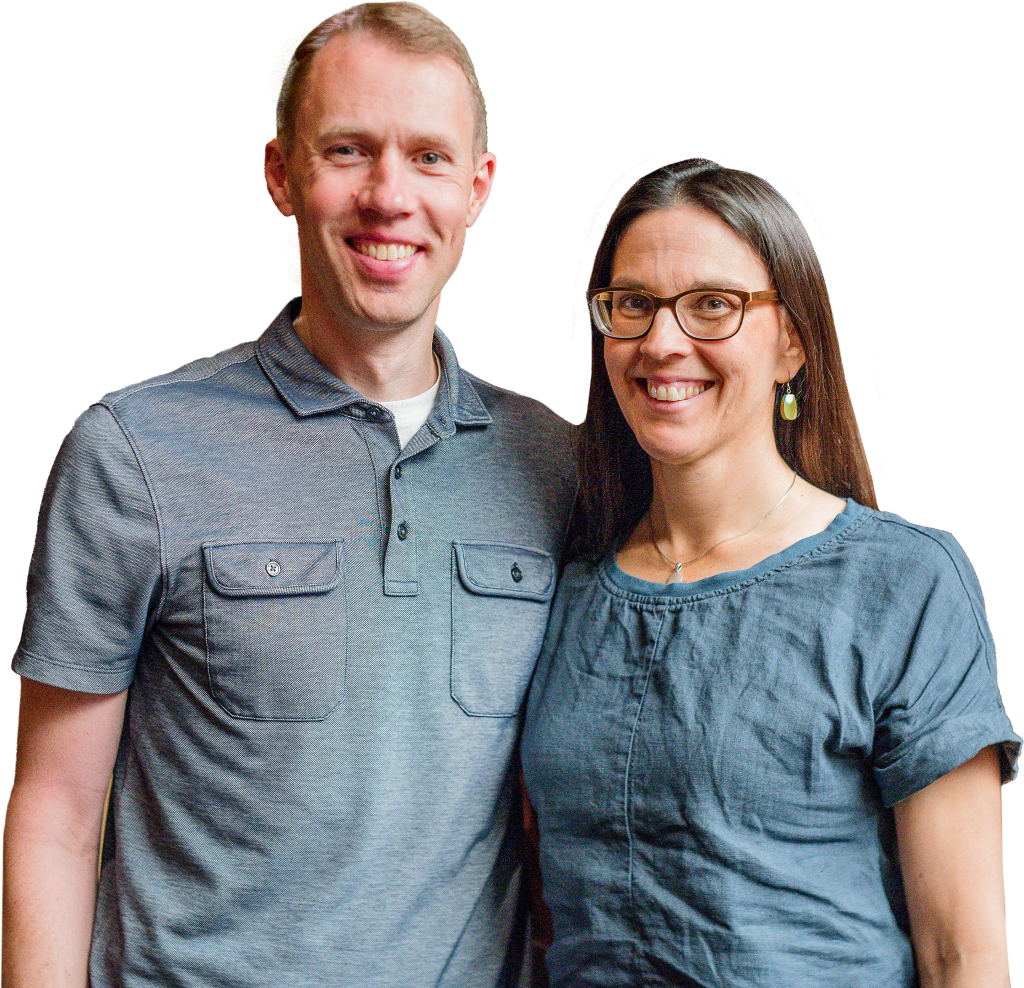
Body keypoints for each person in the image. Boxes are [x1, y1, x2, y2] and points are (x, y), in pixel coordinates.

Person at [2, 4, 574, 986]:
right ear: (280, 177)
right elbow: (55, 814)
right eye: (348, 150)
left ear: (478, 192)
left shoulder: (555, 462)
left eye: (429, 158)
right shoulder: (134, 451)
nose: (388, 195)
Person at [520, 157, 1020, 988]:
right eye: (634, 303)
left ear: (792, 342)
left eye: (713, 305)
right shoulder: (567, 584)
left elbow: (962, 956)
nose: (663, 343)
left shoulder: (904, 582)